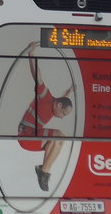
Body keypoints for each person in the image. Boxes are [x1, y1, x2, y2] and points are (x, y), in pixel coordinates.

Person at [16, 44, 74, 192]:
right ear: (59, 105)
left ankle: (44, 170)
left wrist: (68, 92)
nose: (61, 118)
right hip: (26, 135)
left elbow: (63, 99)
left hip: (35, 136)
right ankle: (44, 171)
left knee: (60, 139)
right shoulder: (45, 97)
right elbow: (38, 76)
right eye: (63, 114)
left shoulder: (57, 104)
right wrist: (31, 54)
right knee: (58, 136)